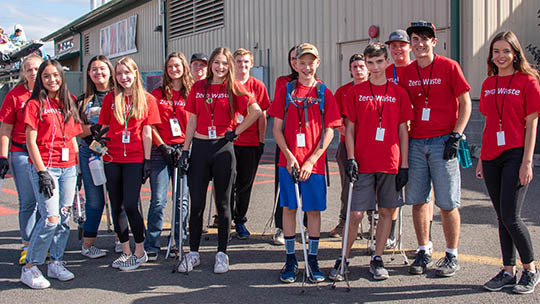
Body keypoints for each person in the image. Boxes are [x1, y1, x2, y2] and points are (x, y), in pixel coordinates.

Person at [329, 43, 413, 281]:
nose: (375, 67)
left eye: (379, 62)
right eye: (370, 63)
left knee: (387, 211)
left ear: (387, 62)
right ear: (364, 64)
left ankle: (377, 257)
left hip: (390, 161)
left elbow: (403, 131)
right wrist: (352, 158)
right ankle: (343, 257)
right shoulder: (355, 93)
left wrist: (404, 164)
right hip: (363, 163)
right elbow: (350, 129)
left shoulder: (399, 93)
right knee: (355, 214)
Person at [178, 47, 262, 274]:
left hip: (223, 148)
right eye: (217, 62)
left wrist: (236, 131)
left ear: (230, 66)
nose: (220, 67)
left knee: (224, 204)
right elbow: (192, 119)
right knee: (196, 203)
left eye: (225, 63)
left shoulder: (234, 87)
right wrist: (186, 150)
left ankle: (222, 253)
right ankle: (193, 252)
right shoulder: (198, 87)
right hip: (201, 147)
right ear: (211, 64)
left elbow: (256, 111)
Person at [399, 21, 472, 277]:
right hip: (417, 143)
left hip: (444, 142)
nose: (419, 44)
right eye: (415, 39)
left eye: (424, 39)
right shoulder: (407, 73)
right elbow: (401, 111)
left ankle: (451, 254)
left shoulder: (449, 67)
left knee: (447, 202)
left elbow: (465, 103)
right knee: (418, 200)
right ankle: (423, 250)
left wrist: (457, 134)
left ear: (434, 41)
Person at [268, 43, 341, 283]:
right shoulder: (286, 90)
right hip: (288, 163)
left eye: (311, 62)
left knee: (313, 211)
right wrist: (290, 156)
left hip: (315, 165)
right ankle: (290, 259)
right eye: (302, 62)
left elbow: (330, 132)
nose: (307, 67)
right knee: (289, 208)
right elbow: (276, 129)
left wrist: (311, 159)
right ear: (295, 64)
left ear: (317, 63)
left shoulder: (324, 92)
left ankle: (312, 258)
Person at [476, 31, 540, 294]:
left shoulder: (528, 81)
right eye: (496, 51)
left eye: (506, 51)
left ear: (515, 53)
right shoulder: (488, 84)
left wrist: (527, 161)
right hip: (491, 156)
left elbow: (532, 123)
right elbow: (489, 123)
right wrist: (481, 158)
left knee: (512, 216)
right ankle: (507, 271)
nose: (500, 56)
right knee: (502, 216)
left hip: (515, 153)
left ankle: (531, 270)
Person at [20, 59, 82, 289]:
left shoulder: (69, 101)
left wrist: (78, 169)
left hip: (68, 169)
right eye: (46, 76)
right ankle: (30, 267)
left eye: (56, 75)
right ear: (40, 79)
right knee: (50, 219)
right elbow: (30, 141)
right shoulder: (34, 104)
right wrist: (41, 172)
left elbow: (73, 137)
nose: (52, 79)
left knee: (64, 218)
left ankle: (56, 261)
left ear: (62, 77)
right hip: (46, 168)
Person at [97, 57, 160, 271]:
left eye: (127, 73)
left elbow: (147, 131)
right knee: (117, 206)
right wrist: (99, 135)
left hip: (134, 158)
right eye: (119, 73)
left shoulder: (147, 99)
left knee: (132, 204)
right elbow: (104, 126)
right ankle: (125, 251)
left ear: (135, 73)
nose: (124, 77)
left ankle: (139, 251)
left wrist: (148, 159)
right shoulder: (109, 99)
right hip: (112, 158)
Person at [145, 52, 193, 260]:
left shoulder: (191, 93)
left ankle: (178, 239)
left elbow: (194, 124)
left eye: (178, 66)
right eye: (170, 66)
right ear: (166, 69)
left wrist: (185, 149)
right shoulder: (156, 95)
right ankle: (152, 242)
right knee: (158, 199)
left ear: (184, 68)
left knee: (181, 199)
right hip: (161, 150)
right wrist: (163, 146)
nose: (174, 69)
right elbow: (150, 125)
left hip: (184, 148)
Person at [0, 54, 42, 265]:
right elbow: (6, 128)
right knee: (28, 202)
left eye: (36, 68)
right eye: (28, 69)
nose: (33, 73)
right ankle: (27, 246)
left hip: (46, 154)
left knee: (46, 204)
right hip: (22, 153)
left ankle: (43, 244)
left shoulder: (51, 93)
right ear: (23, 73)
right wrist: (3, 156)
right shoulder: (15, 96)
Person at [76, 55, 116, 259]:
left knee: (121, 198)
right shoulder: (83, 100)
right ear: (89, 74)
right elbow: (75, 129)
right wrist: (93, 128)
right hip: (91, 153)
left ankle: (122, 239)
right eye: (94, 69)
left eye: (102, 69)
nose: (98, 73)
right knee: (95, 201)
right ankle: (88, 244)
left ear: (110, 71)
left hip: (117, 152)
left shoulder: (121, 94)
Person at [230, 48, 271, 239]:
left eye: (246, 62)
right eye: (239, 61)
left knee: (245, 184)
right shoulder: (227, 84)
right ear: (233, 63)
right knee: (228, 183)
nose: (242, 65)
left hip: (250, 143)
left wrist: (261, 140)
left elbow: (262, 115)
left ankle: (240, 220)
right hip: (229, 142)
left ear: (251, 64)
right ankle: (225, 218)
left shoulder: (258, 86)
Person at [329, 53, 368, 239]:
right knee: (348, 186)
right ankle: (344, 221)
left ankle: (372, 222)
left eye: (362, 66)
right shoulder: (342, 91)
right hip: (347, 146)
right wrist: (348, 133)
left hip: (371, 147)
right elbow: (335, 120)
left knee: (371, 186)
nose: (359, 70)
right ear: (350, 70)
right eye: (355, 67)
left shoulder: (375, 89)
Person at [272, 45, 298, 245]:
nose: (297, 62)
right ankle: (281, 227)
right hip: (285, 141)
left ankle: (305, 226)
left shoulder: (319, 85)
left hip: (307, 143)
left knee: (309, 188)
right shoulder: (283, 82)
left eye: (300, 57)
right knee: (284, 187)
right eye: (293, 58)